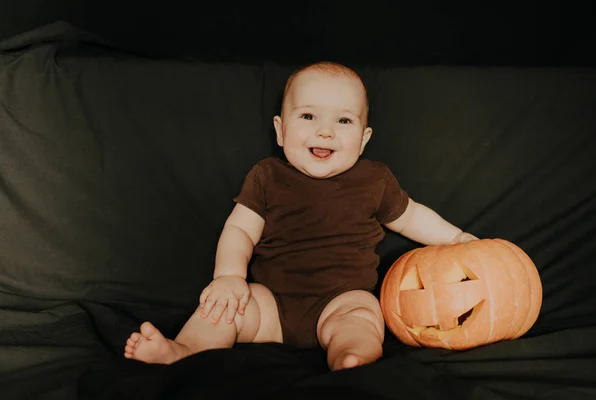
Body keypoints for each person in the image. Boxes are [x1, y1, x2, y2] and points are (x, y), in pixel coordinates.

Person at [124, 61, 478, 371]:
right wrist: (229, 277)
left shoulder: (374, 179)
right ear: (280, 130)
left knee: (363, 315)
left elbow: (413, 217)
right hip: (271, 305)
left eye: (343, 120)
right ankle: (183, 352)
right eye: (308, 116)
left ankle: (349, 356)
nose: (325, 131)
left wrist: (459, 240)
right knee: (223, 308)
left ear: (364, 139)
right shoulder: (267, 176)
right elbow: (239, 231)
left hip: (341, 298)